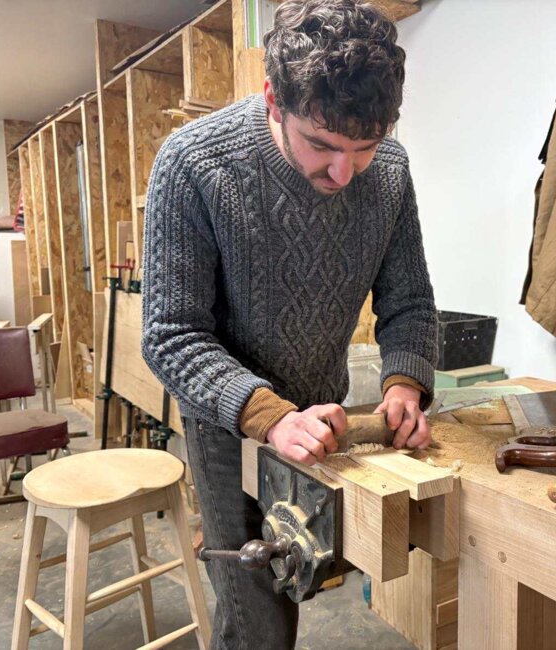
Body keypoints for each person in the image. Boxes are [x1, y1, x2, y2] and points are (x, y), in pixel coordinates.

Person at [141, 1, 437, 647]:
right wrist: (270, 416)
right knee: (258, 613)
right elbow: (172, 333)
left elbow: (409, 300)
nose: (343, 172)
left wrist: (404, 385)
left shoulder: (389, 171)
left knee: (306, 572)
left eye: (365, 147)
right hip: (228, 416)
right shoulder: (195, 161)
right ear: (274, 99)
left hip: (322, 407)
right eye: (323, 145)